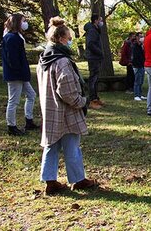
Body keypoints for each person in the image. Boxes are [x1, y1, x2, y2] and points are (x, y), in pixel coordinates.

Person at [37, 17, 96, 195]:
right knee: (72, 146)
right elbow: (67, 91)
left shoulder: (44, 58)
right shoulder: (62, 61)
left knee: (51, 145)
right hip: (65, 111)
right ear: (62, 38)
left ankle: (50, 181)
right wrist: (82, 102)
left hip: (50, 109)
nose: (70, 40)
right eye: (69, 36)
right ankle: (78, 180)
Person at [1, 13, 39, 136]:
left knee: (31, 95)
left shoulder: (16, 36)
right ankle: (11, 126)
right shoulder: (11, 38)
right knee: (13, 100)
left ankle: (29, 121)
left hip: (20, 74)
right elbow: (12, 59)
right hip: (15, 75)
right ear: (17, 22)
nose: (25, 23)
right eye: (23, 20)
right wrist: (19, 72)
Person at [83, 14, 104, 110]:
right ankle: (92, 100)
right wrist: (100, 52)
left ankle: (96, 98)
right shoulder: (92, 30)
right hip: (93, 57)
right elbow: (90, 44)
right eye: (100, 20)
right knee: (93, 79)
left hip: (96, 57)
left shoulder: (95, 30)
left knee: (96, 78)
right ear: (95, 20)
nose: (101, 22)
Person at [131, 32, 147, 101]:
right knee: (137, 81)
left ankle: (140, 94)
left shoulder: (141, 46)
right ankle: (136, 95)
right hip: (137, 66)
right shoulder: (134, 46)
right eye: (140, 36)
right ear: (137, 37)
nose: (142, 38)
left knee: (141, 81)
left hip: (142, 65)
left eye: (142, 36)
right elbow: (135, 57)